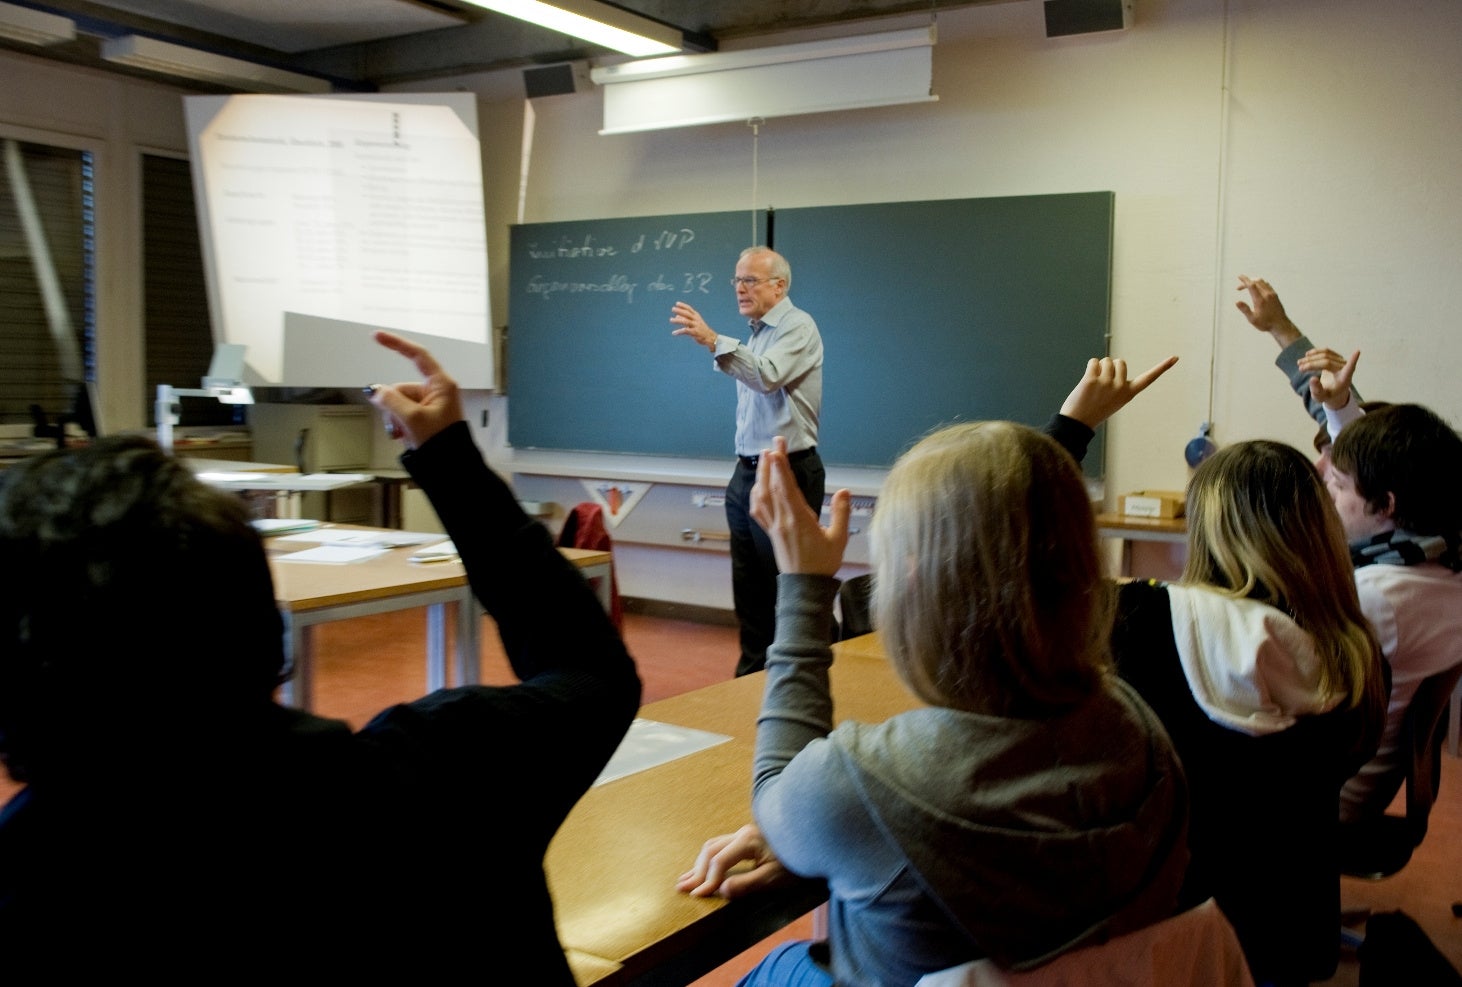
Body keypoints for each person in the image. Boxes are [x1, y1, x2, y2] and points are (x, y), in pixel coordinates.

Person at [0, 331, 641, 978]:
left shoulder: (29, 878)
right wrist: (447, 455)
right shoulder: (441, 775)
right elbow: (592, 670)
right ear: (261, 624)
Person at [676, 358, 1191, 987]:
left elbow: (776, 793)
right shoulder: (1141, 734)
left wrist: (803, 585)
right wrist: (859, 837)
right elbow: (1014, 538)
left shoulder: (862, 783)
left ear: (915, 584)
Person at [1107, 440, 1386, 985]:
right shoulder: (1358, 655)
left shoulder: (1138, 624)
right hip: (1290, 927)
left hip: (1177, 929)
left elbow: (999, 580)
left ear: (1206, 529)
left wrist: (1073, 426)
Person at [671, 245, 825, 676]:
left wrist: (712, 340)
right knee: (751, 593)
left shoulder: (798, 325)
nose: (740, 288)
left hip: (787, 473)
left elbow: (767, 375)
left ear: (779, 286)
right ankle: (750, 678)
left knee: (788, 590)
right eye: (736, 280)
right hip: (747, 474)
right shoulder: (756, 332)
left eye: (750, 280)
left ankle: (804, 676)